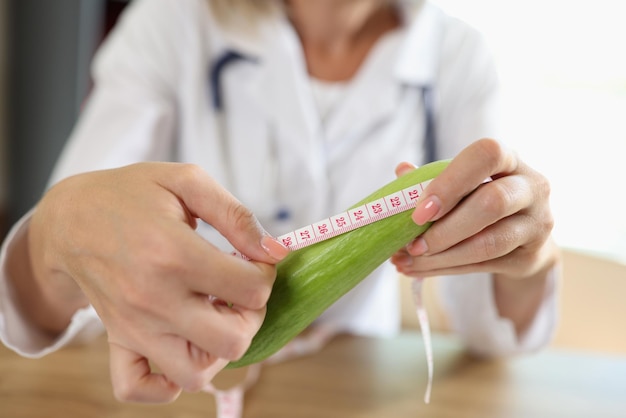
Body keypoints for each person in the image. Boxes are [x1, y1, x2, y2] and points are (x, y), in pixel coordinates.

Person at [0, 0, 560, 405]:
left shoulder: (458, 56)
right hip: (179, 385)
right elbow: (62, 286)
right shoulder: (169, 24)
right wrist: (59, 230)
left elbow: (489, 329)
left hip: (353, 391)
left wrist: (528, 254)